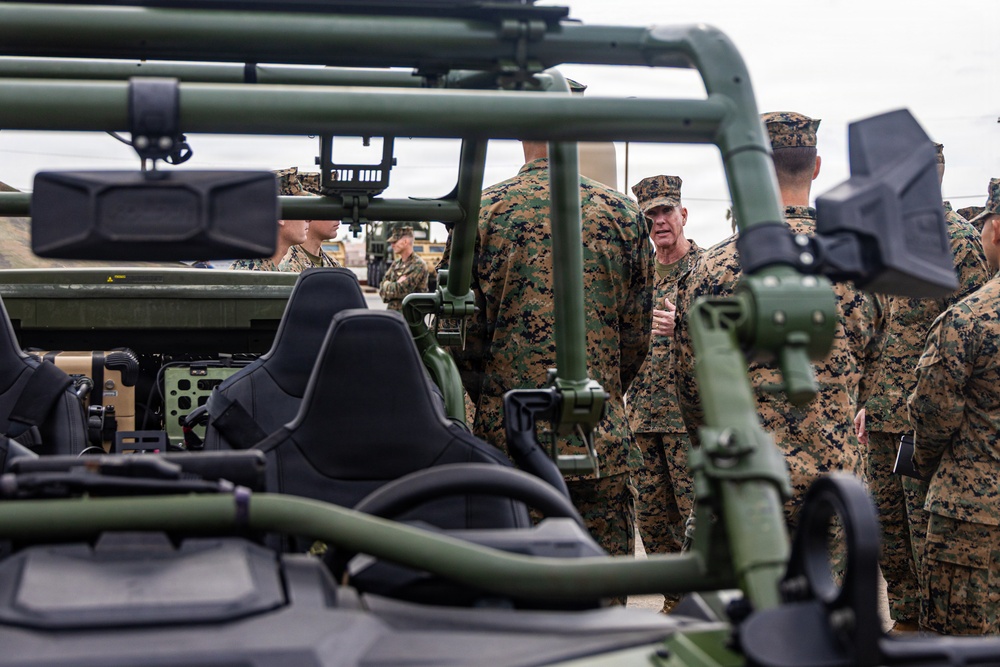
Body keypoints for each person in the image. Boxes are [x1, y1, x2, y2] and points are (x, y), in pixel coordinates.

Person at [674, 111, 884, 534]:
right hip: (835, 484)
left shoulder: (716, 267)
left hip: (747, 478)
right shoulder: (862, 263)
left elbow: (691, 384)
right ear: (816, 166)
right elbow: (873, 370)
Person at [459, 140, 653, 565]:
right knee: (599, 586)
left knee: (515, 583)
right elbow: (636, 337)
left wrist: (495, 401)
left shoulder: (482, 212)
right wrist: (602, 393)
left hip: (510, 440)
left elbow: (463, 338)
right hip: (597, 436)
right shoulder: (623, 214)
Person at [855, 144, 987, 633]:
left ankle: (933, 630)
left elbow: (976, 336)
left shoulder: (958, 242)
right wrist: (864, 399)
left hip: (928, 420)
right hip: (882, 414)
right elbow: (873, 328)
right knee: (888, 529)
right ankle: (906, 619)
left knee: (925, 532)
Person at [907, 199, 1000, 636]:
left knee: (960, 648)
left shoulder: (968, 320)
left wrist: (929, 470)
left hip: (972, 520)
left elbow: (933, 416)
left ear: (996, 230)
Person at [624, 174, 703, 612]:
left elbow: (738, 337)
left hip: (690, 419)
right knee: (652, 517)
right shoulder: (636, 273)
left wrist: (685, 327)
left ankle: (702, 599)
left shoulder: (710, 271)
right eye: (650, 215)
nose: (659, 222)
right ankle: (675, 599)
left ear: (683, 214)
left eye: (665, 211)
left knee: (698, 514)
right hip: (641, 415)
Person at [231, 167, 309, 272]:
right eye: (302, 210)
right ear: (280, 216)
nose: (309, 219)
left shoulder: (263, 267)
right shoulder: (253, 273)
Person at [378, 226, 429, 311]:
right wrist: (394, 284)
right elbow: (381, 289)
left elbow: (402, 290)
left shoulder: (418, 265)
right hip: (393, 314)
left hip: (409, 316)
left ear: (405, 242)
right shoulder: (396, 263)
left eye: (395, 242)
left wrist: (387, 285)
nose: (392, 245)